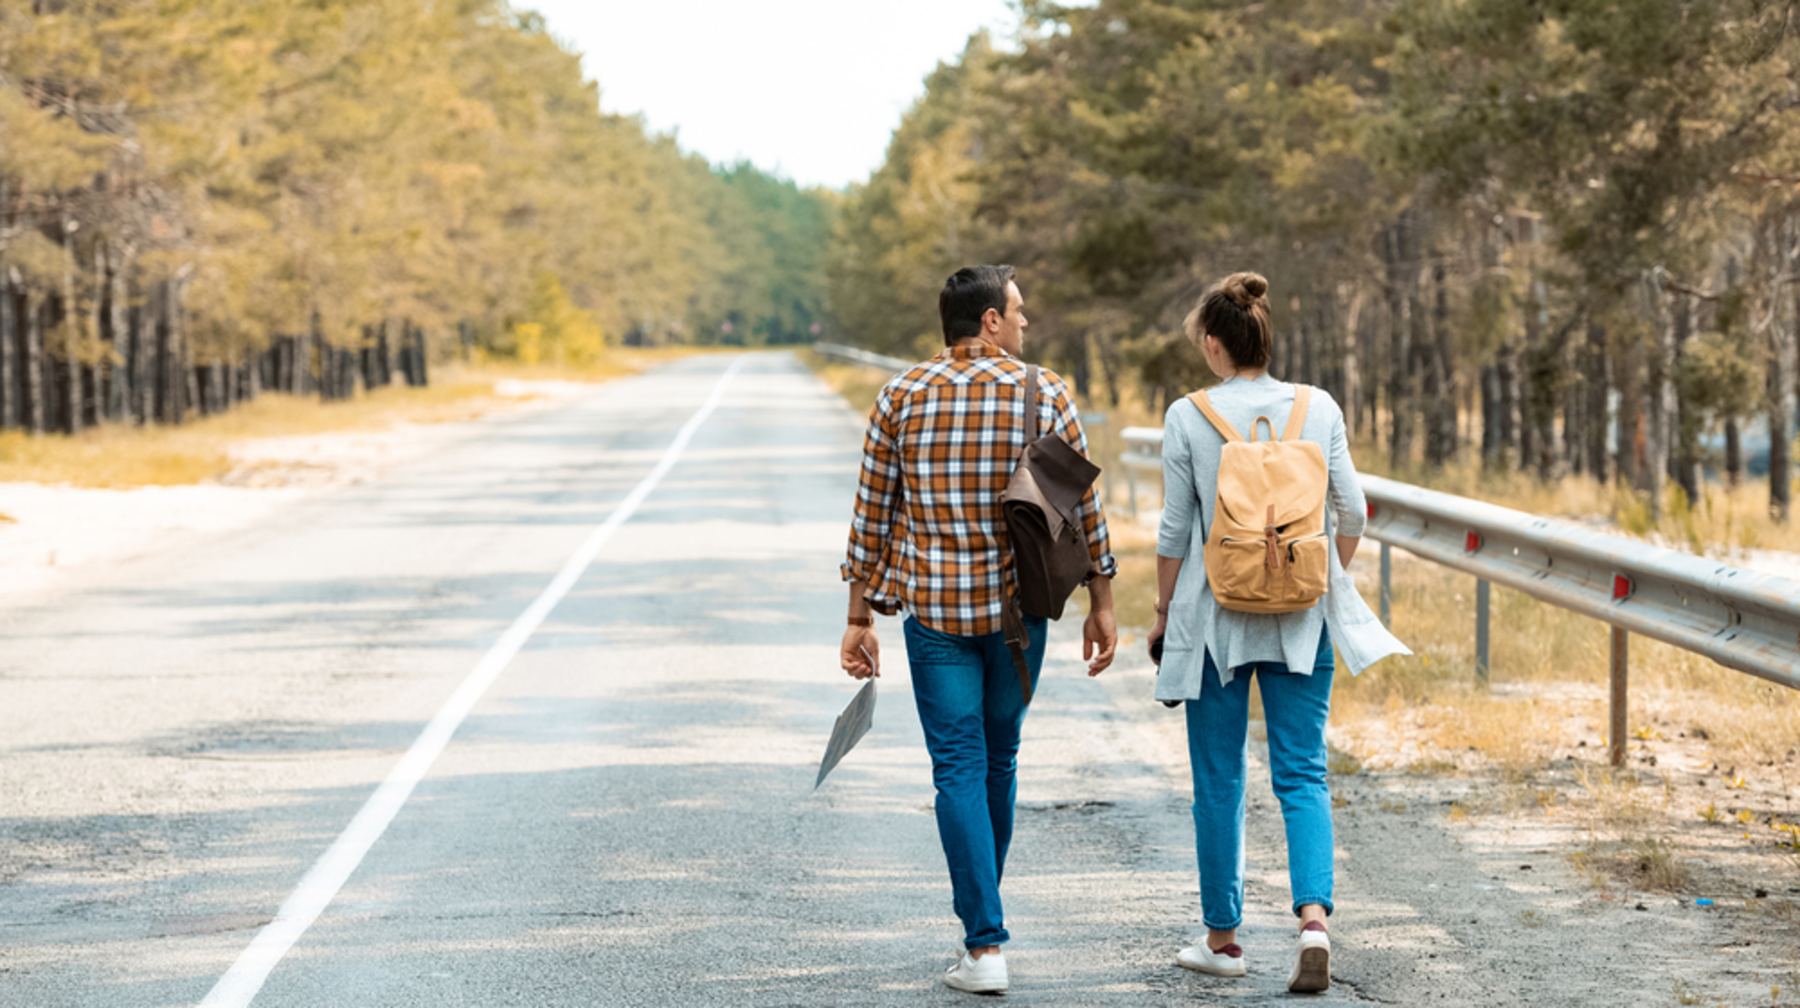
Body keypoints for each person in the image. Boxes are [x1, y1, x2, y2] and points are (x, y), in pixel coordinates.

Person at [839, 264, 1120, 994]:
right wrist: (1103, 600)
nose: (1027, 324)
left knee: (957, 768)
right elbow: (1081, 508)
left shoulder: (901, 395)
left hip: (934, 616)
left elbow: (871, 517)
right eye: (1018, 312)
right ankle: (983, 928)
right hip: (1018, 617)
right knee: (999, 760)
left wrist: (857, 616)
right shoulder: (1044, 390)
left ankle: (984, 944)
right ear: (989, 321)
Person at [1149, 272, 1405, 994]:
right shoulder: (1318, 407)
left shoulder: (1187, 415)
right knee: (1302, 771)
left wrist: (1165, 611)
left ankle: (1224, 940)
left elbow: (1175, 529)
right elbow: (1352, 511)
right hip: (1301, 619)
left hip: (1213, 622)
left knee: (1218, 779)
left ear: (1212, 343)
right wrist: (1323, 578)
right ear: (1262, 334)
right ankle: (1315, 921)